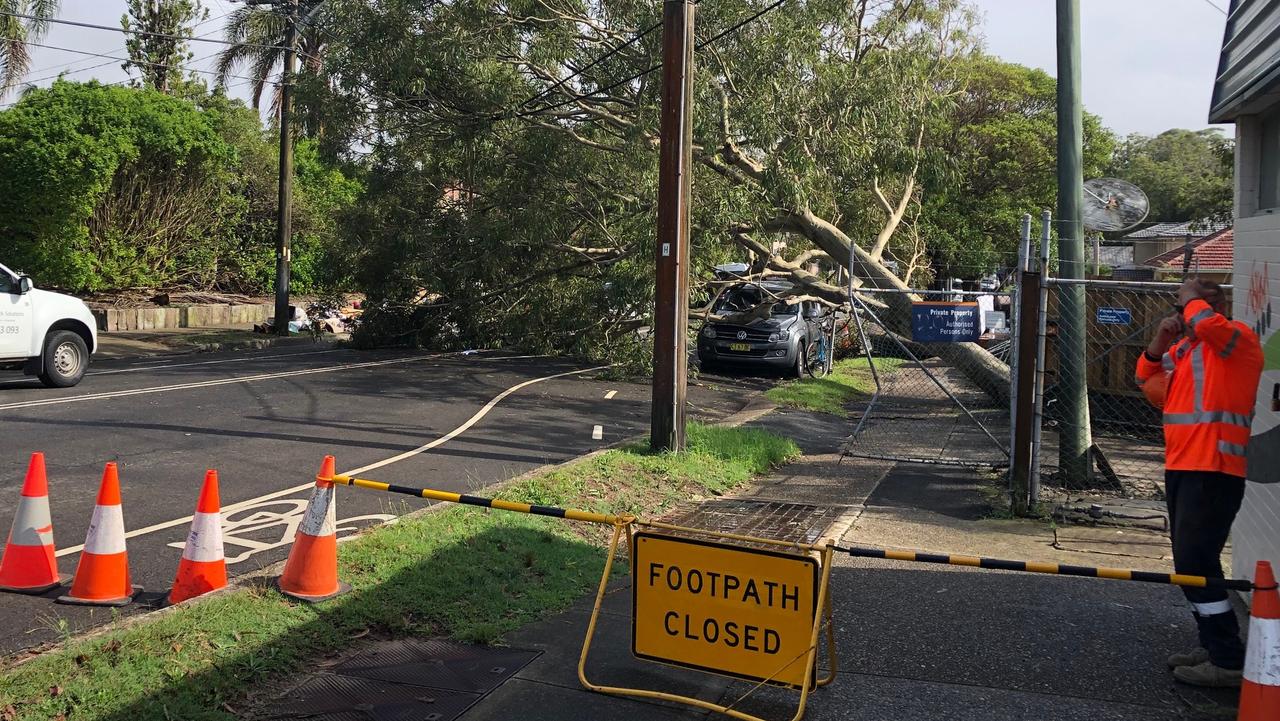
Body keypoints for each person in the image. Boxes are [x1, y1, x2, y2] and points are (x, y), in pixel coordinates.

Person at [1134, 278, 1263, 688]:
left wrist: (1190, 297)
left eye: (1187, 306)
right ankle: (1213, 646)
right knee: (1191, 564)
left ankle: (1226, 659)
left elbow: (1209, 325)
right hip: (1184, 468)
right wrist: (1159, 341)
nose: (1182, 312)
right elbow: (1148, 382)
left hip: (1215, 470)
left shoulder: (1237, 341)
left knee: (1195, 562)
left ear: (1211, 307)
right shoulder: (1187, 351)